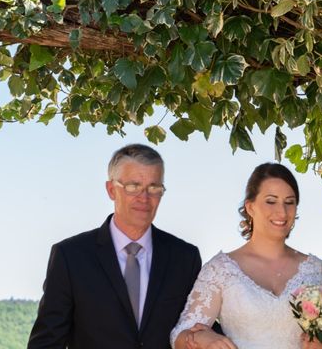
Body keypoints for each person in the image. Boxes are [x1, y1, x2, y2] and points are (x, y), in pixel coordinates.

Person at [28, 143, 202, 349]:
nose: (144, 198)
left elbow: (200, 327)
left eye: (154, 188)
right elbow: (47, 342)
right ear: (111, 189)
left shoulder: (185, 258)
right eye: (133, 186)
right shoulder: (70, 256)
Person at [170, 163, 322, 349]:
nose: (282, 212)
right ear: (250, 207)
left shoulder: (315, 269)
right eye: (271, 201)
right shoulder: (221, 269)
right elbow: (180, 335)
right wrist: (203, 338)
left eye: (289, 202)